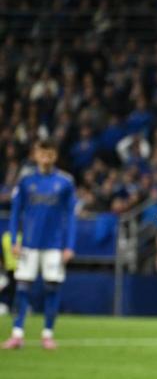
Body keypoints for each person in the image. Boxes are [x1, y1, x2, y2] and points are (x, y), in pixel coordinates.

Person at [3, 140, 76, 350]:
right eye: (42, 153)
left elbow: (70, 216)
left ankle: (47, 334)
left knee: (52, 287)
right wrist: (15, 240)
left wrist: (69, 245)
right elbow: (16, 212)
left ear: (55, 155)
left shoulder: (65, 182)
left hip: (54, 245)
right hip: (29, 244)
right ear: (35, 155)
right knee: (22, 288)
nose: (46, 157)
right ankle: (17, 334)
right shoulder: (26, 181)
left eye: (50, 153)